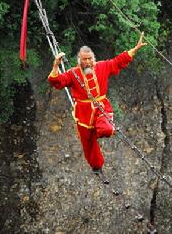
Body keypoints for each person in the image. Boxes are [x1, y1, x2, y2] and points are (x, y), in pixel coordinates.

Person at [48, 33, 147, 174]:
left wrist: (134, 49)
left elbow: (118, 62)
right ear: (79, 60)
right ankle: (97, 166)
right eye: (84, 59)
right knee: (88, 143)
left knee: (107, 129)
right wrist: (56, 66)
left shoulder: (103, 66)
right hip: (83, 113)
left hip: (101, 107)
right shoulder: (72, 73)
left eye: (89, 59)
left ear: (93, 59)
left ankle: (98, 130)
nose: (87, 62)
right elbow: (57, 82)